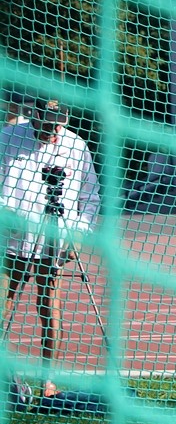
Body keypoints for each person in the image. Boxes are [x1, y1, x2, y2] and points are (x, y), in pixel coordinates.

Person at [0, 98, 101, 399]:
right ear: (34, 114)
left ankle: (49, 381)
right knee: (4, 303)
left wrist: (79, 233)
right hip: (11, 240)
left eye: (58, 125)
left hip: (54, 241)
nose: (53, 131)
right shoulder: (7, 137)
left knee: (49, 306)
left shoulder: (76, 146)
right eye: (47, 124)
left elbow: (90, 197)